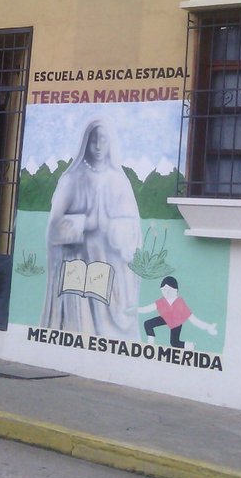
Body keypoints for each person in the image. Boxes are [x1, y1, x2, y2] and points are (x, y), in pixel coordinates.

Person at [41, 118, 141, 339]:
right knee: (81, 323)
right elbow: (53, 228)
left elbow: (132, 225)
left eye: (103, 140)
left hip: (108, 263)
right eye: (93, 140)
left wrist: (115, 229)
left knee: (111, 326)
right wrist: (86, 224)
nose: (97, 146)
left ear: (110, 143)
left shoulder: (119, 181)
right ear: (85, 142)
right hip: (77, 264)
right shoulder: (71, 179)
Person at [131, 276, 218, 349]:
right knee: (148, 324)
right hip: (165, 318)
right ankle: (150, 345)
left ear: (175, 290)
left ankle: (190, 345)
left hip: (176, 322)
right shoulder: (162, 302)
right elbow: (147, 308)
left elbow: (193, 319)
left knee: (174, 343)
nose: (166, 292)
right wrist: (135, 309)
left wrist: (207, 327)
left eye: (168, 289)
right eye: (163, 290)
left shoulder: (180, 302)